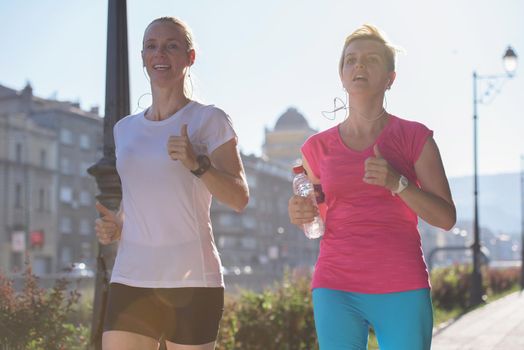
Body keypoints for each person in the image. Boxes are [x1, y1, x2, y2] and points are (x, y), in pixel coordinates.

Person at [288, 24, 456, 350]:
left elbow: (446, 218)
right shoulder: (315, 148)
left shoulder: (415, 138)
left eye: (371, 59)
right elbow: (318, 220)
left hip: (402, 283)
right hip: (335, 285)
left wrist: (399, 183)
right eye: (350, 60)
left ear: (390, 78)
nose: (359, 65)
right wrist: (301, 213)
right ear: (341, 75)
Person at [94, 17, 249, 350]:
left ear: (190, 57)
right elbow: (139, 197)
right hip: (131, 277)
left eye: (171, 46)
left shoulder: (210, 120)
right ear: (142, 57)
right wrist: (117, 225)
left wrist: (198, 164)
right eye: (151, 46)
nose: (159, 53)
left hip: (192, 280)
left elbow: (239, 197)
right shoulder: (125, 130)